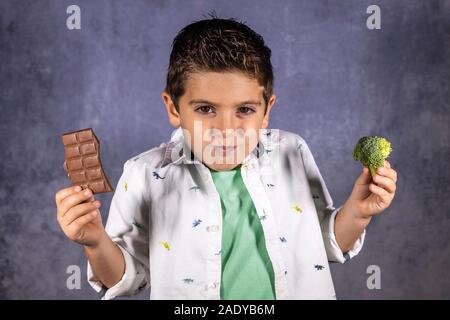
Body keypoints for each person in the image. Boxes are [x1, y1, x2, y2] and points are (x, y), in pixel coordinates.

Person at [55, 16, 397, 299]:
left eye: (245, 110)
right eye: (205, 109)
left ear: (266, 112)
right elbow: (127, 278)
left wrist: (359, 211)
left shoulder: (292, 152)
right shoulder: (145, 174)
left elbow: (322, 246)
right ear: (173, 108)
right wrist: (96, 241)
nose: (225, 129)